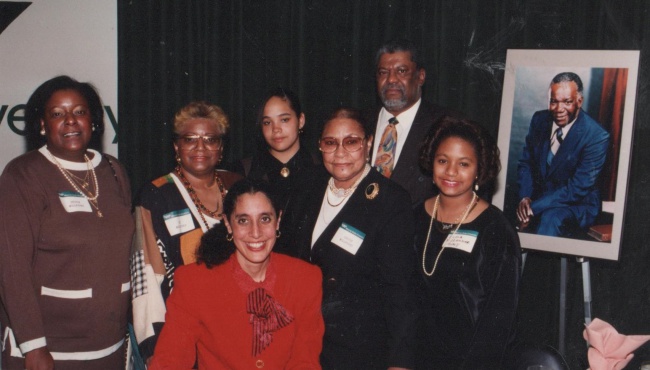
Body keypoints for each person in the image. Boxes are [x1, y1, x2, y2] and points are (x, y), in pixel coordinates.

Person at [0, 75, 134, 369]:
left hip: (110, 342)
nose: (71, 121)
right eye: (58, 114)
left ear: (94, 120)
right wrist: (33, 347)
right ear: (42, 124)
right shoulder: (23, 174)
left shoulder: (113, 169)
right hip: (51, 349)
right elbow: (12, 268)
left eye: (80, 111)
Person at [281, 108, 420, 369]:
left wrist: (400, 362)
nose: (340, 152)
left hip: (358, 351)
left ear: (368, 143)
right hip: (301, 344)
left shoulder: (391, 200)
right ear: (320, 146)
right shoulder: (307, 185)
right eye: (330, 143)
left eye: (351, 141)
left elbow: (399, 290)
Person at [148, 179, 324, 369]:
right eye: (243, 221)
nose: (255, 233)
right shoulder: (194, 282)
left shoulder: (305, 279)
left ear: (278, 220)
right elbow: (170, 360)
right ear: (228, 224)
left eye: (265, 219)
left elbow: (305, 361)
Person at [130, 101, 242, 363]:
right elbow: (145, 274)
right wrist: (153, 347)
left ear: (221, 148)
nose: (200, 148)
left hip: (238, 327)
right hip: (181, 330)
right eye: (190, 139)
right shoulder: (156, 194)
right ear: (176, 147)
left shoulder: (236, 185)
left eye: (210, 139)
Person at [415, 116, 521, 369]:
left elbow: (498, 323)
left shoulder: (496, 230)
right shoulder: (413, 218)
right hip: (413, 358)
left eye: (463, 164)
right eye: (443, 161)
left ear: (479, 170)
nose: (451, 171)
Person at [517, 72, 610, 237]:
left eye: (567, 102)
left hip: (577, 205)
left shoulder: (596, 135)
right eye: (554, 101)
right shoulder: (539, 120)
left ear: (579, 101)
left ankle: (540, 264)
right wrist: (525, 198)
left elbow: (576, 188)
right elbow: (526, 163)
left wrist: (533, 208)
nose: (559, 109)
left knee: (550, 218)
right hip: (540, 198)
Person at [368, 39, 453, 205]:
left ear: (420, 77)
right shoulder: (359, 122)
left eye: (401, 71)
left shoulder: (447, 125)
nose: (391, 79)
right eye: (383, 72)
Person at [240, 87, 320, 211]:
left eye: (284, 120)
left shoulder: (321, 168)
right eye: (267, 122)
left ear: (301, 120)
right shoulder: (244, 170)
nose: (276, 129)